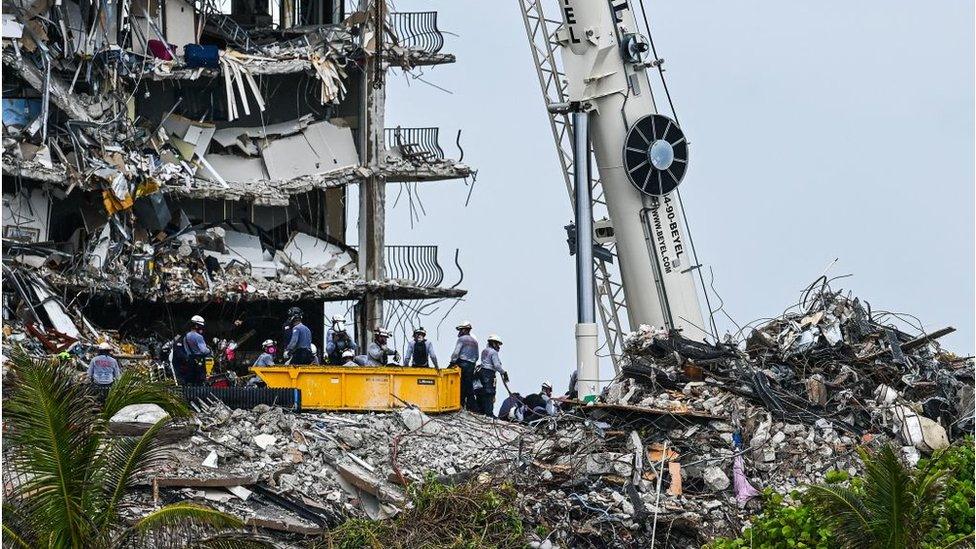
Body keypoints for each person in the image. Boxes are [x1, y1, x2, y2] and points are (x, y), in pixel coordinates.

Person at [476, 334, 508, 416]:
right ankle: (489, 413)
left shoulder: (484, 351)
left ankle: (481, 410)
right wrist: (503, 372)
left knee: (482, 392)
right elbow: (497, 365)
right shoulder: (493, 352)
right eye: (498, 344)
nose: (499, 347)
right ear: (493, 343)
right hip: (489, 374)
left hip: (482, 372)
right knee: (489, 393)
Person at [450, 321, 479, 411]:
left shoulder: (461, 339)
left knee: (459, 385)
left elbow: (456, 353)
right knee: (469, 386)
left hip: (462, 364)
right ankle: (473, 408)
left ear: (464, 330)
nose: (459, 332)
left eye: (461, 330)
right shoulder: (475, 341)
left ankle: (458, 404)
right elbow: (477, 356)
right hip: (471, 366)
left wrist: (452, 362)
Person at [181, 315, 212, 385]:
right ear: (196, 326)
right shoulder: (198, 337)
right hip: (199, 363)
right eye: (200, 326)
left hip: (190, 362)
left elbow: (186, 350)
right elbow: (204, 350)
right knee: (200, 382)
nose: (202, 328)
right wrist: (209, 350)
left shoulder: (185, 337)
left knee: (191, 382)